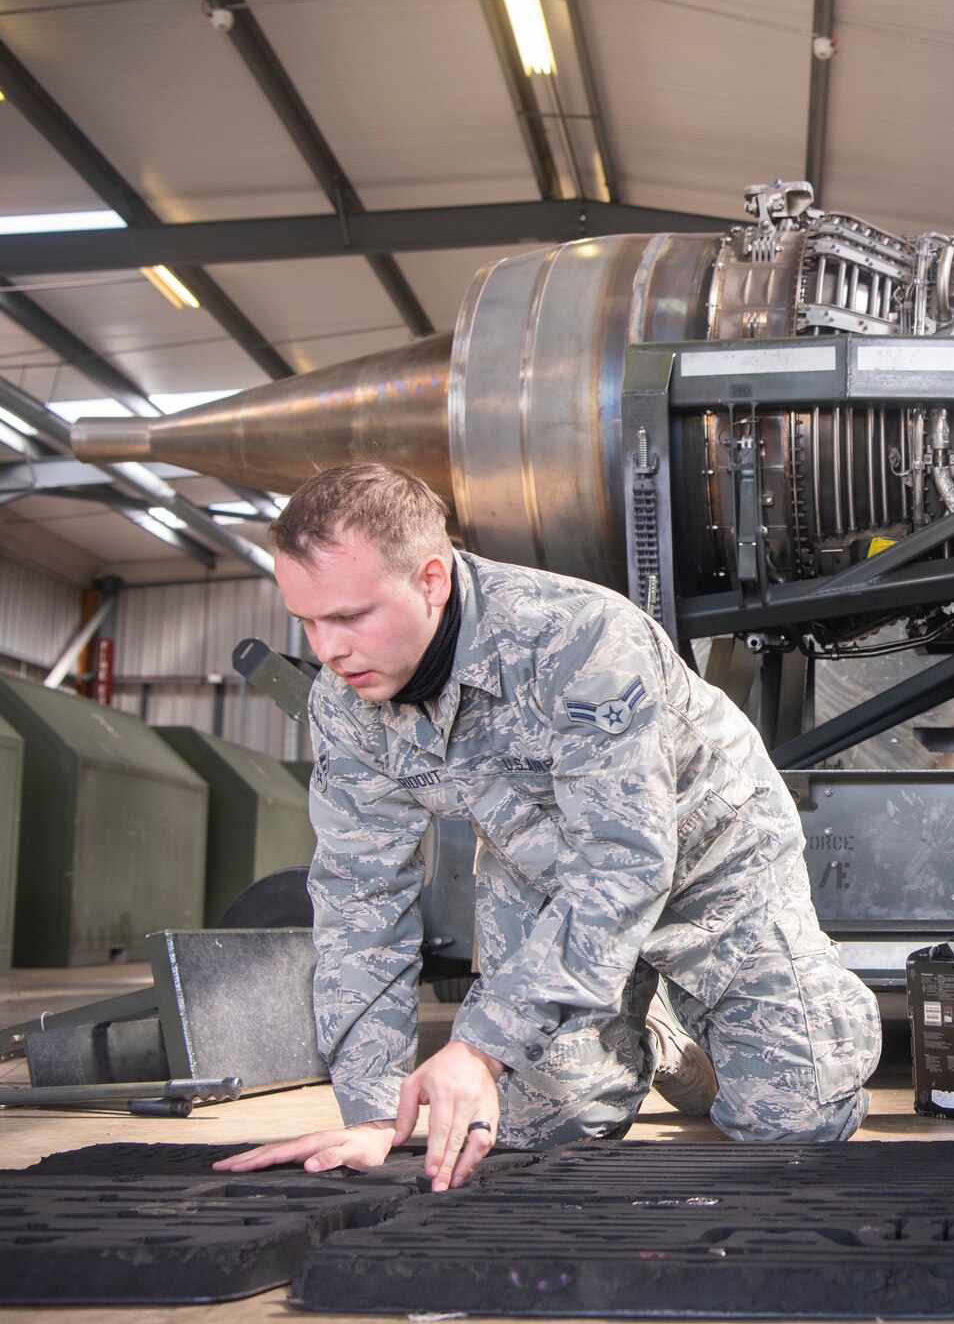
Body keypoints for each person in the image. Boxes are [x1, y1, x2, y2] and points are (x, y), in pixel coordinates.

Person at [217, 462, 880, 1191]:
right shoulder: (345, 709)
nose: (327, 649)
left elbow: (627, 862)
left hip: (711, 860)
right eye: (307, 620)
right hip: (543, 873)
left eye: (348, 616)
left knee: (791, 1128)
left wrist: (480, 1046)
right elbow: (359, 899)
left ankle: (753, 1021)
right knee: (529, 1139)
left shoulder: (579, 638)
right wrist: (379, 1115)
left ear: (431, 579)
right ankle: (645, 1034)